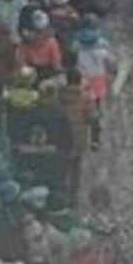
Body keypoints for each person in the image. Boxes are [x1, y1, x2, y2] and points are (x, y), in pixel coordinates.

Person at [70, 15, 117, 148]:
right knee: (95, 111)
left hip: (82, 80)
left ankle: (79, 137)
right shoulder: (103, 46)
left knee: (80, 109)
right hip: (98, 82)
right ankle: (95, 139)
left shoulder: (77, 45)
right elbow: (112, 63)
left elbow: (71, 54)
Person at [56, 69, 93, 206]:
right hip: (78, 138)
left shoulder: (59, 96)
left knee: (61, 167)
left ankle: (59, 196)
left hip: (61, 136)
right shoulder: (85, 97)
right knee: (75, 169)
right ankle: (73, 199)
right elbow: (91, 117)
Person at [16, 7, 62, 79]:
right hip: (44, 71)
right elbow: (56, 60)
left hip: (33, 70)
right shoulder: (51, 41)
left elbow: (21, 59)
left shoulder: (26, 40)